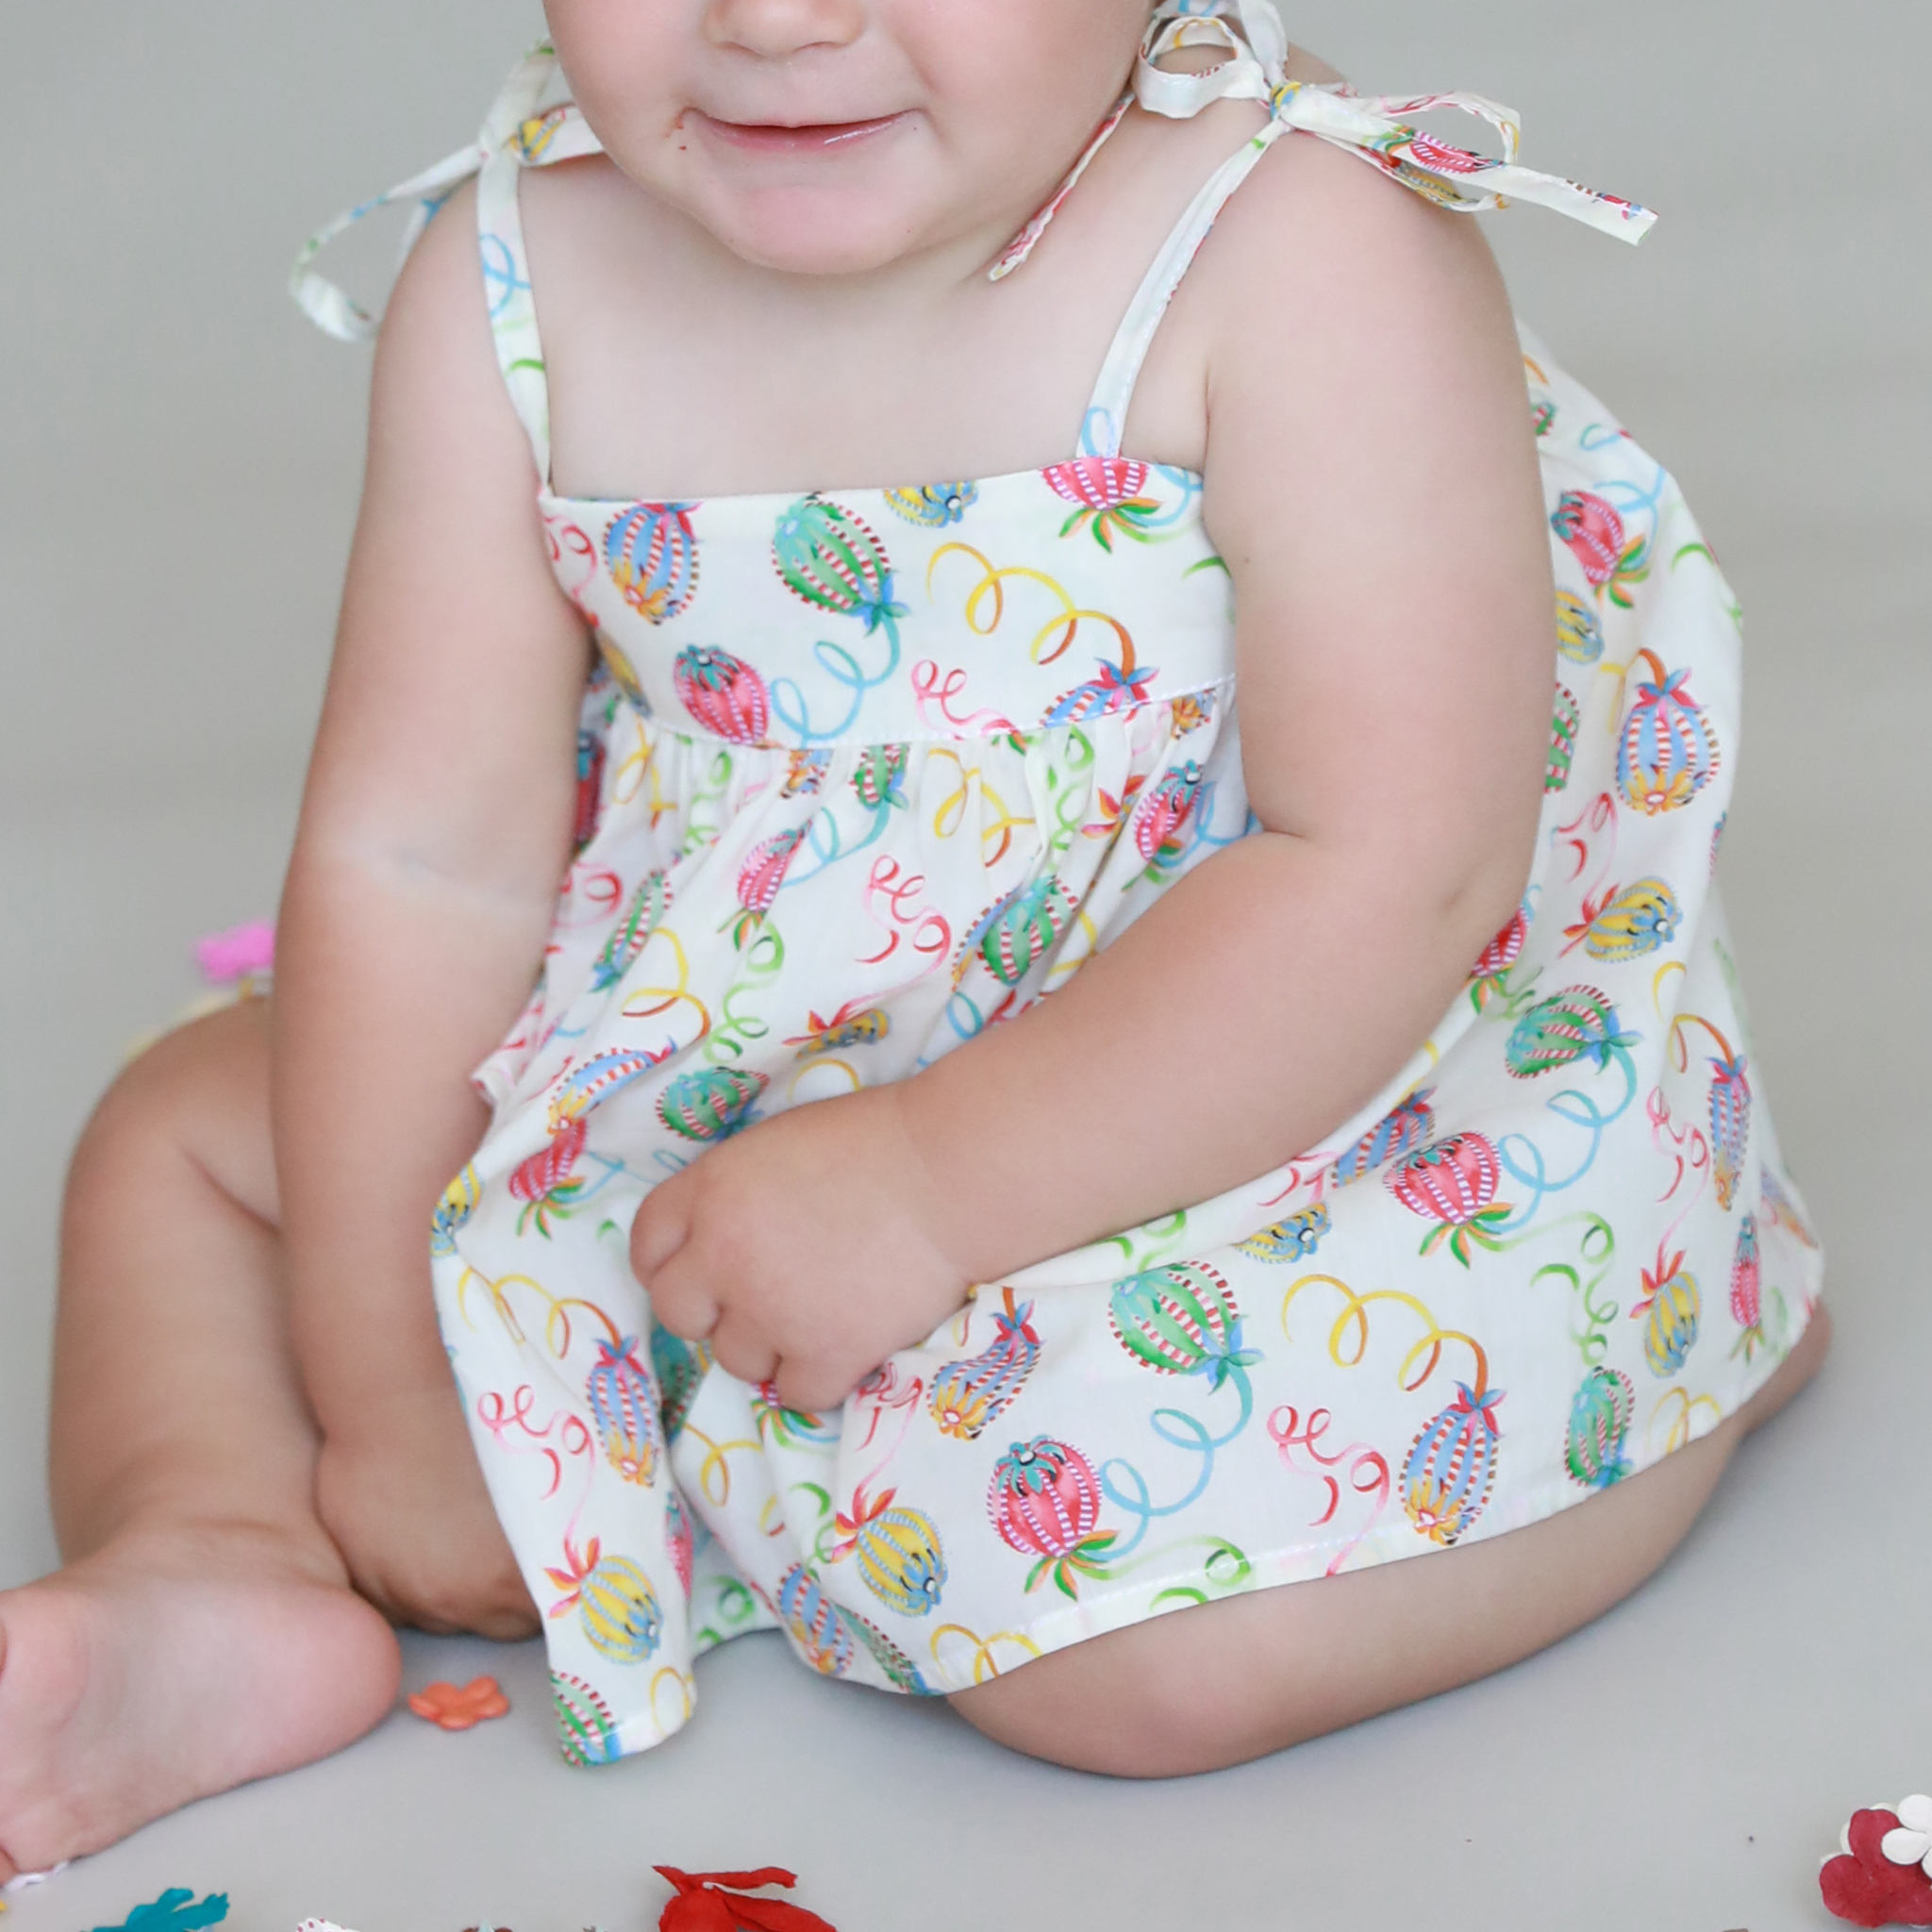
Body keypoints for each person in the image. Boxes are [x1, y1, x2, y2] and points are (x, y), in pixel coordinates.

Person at [0, 0, 1827, 1878]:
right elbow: (420, 862)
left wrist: (929, 1188)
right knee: (182, 1147)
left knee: (1130, 1664)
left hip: (1243, 1084)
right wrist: (393, 1383)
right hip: (729, 1040)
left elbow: (1389, 870)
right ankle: (216, 1557)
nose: (776, 18)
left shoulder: (1297, 245)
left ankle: (1685, 1368)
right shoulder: (515, 272)